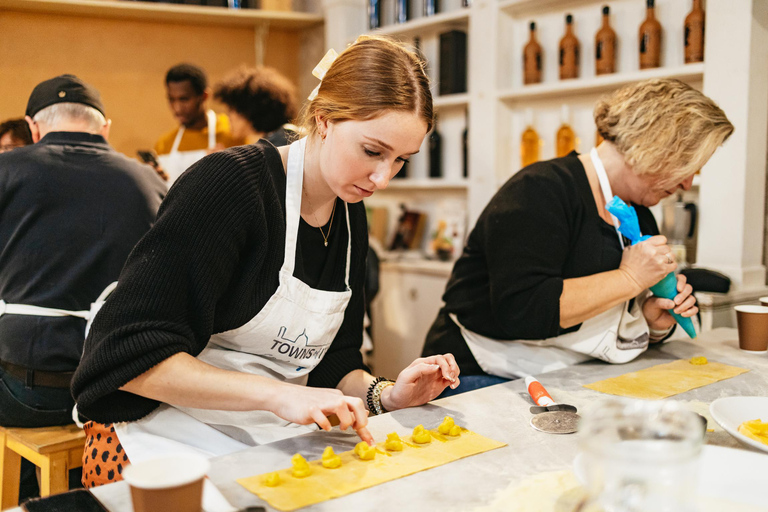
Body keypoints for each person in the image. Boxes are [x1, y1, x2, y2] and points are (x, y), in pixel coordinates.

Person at [72, 35, 460, 488]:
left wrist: (389, 395)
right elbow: (122, 356)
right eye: (373, 151)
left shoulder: (350, 214)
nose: (383, 178)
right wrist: (277, 396)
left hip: (264, 440)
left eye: (401, 161)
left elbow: (333, 364)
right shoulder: (230, 187)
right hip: (158, 439)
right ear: (324, 119)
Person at [422, 78, 734, 395]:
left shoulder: (639, 214)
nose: (687, 183)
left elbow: (609, 316)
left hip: (569, 374)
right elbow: (523, 311)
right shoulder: (539, 190)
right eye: (687, 165)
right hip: (478, 374)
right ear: (653, 143)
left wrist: (652, 323)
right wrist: (630, 277)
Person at [0, 74, 164, 501]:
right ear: (104, 126)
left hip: (28, 392)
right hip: (120, 390)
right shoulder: (150, 182)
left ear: (32, 127)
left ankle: (24, 501)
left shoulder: (6, 170)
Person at [154, 63, 242, 184]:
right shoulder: (164, 144)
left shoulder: (233, 131)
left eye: (184, 99)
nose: (177, 108)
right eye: (171, 99)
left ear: (204, 96)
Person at [213, 65, 300, 148]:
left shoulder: (282, 142)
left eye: (232, 109)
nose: (229, 116)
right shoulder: (273, 142)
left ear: (249, 109)